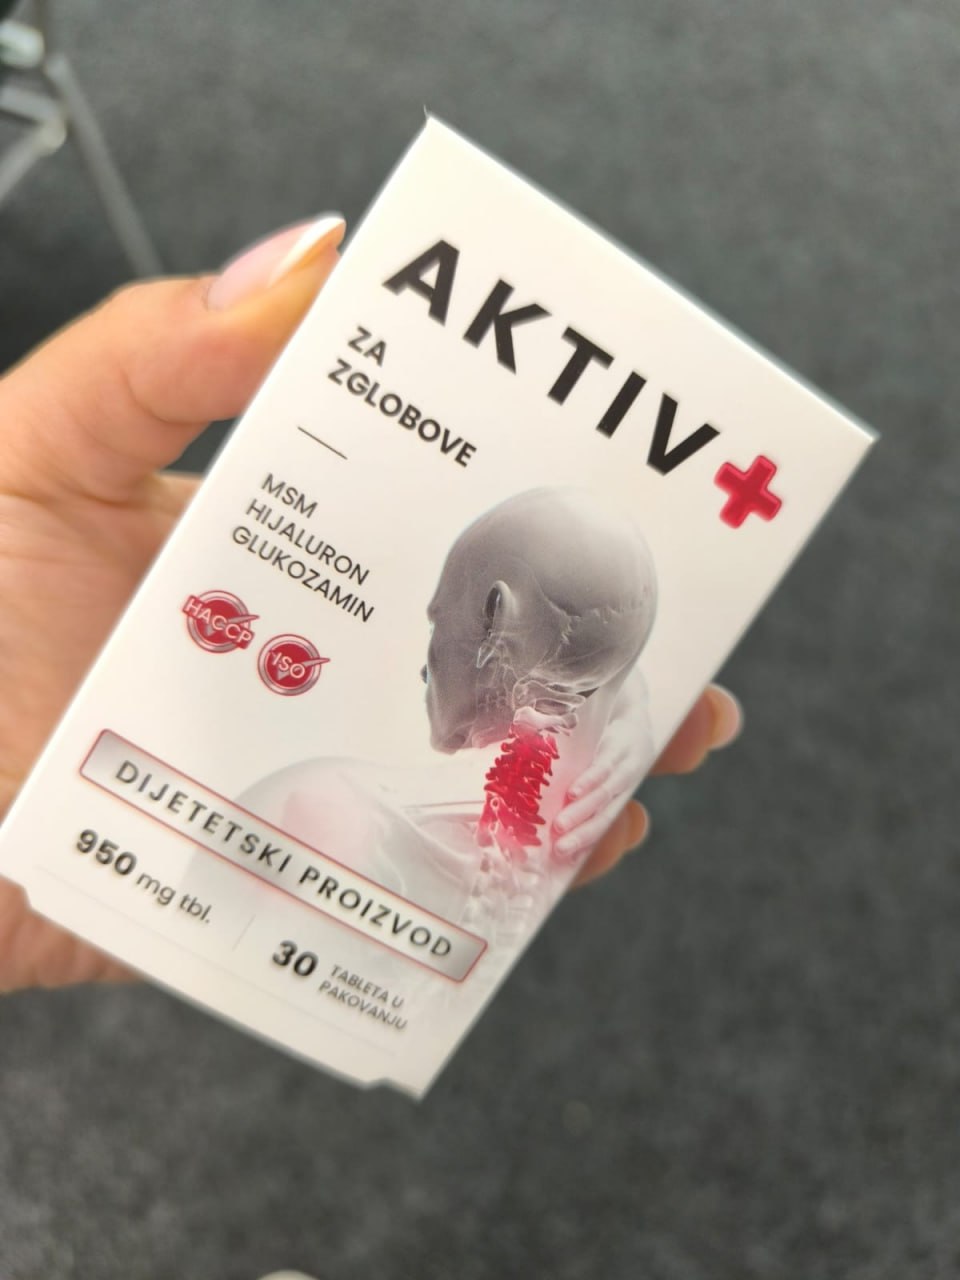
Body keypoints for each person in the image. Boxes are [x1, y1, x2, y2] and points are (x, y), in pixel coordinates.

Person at [0, 215, 742, 995]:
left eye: (438, 614)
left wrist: (625, 694)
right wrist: (620, 695)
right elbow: (583, 646)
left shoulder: (324, 807)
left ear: (497, 615)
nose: (425, 651)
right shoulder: (435, 827)